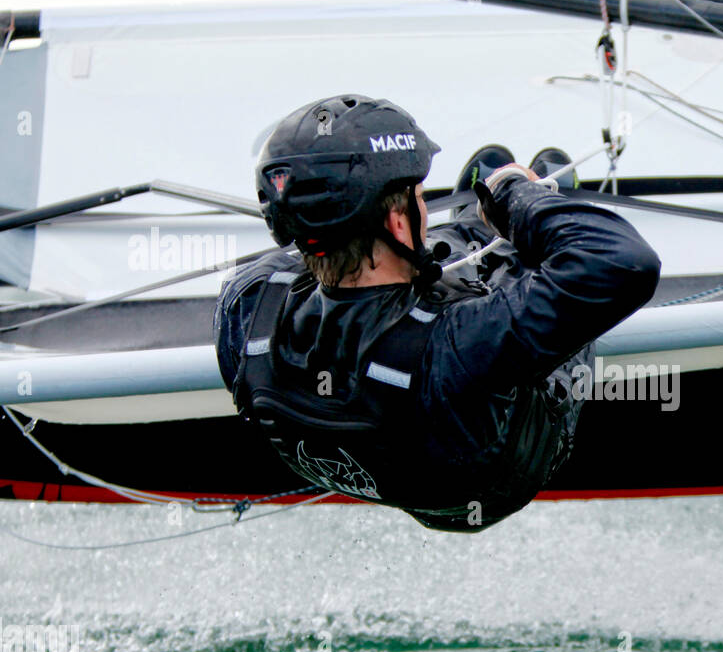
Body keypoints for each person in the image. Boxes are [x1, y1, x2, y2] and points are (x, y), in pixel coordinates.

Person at [213, 95, 660, 531]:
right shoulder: (460, 342)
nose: (424, 207)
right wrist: (515, 194)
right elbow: (619, 263)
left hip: (409, 470)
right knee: (526, 286)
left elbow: (331, 245)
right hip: (490, 485)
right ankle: (534, 215)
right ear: (398, 222)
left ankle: (473, 225)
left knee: (425, 266)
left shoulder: (246, 304)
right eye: (420, 198)